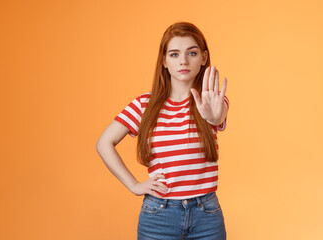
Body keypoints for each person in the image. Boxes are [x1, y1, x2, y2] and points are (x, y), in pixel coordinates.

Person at [96, 21, 229, 240]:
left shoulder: (212, 101)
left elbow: (218, 115)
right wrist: (134, 185)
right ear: (164, 61)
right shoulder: (144, 105)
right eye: (174, 54)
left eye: (192, 53)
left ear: (203, 58)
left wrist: (214, 117)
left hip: (207, 214)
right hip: (158, 215)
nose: (183, 61)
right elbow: (103, 143)